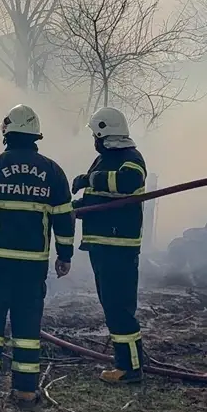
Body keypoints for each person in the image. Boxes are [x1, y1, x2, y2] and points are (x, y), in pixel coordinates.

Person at [0, 104, 74, 407]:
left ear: (6, 132)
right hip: (32, 265)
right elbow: (64, 219)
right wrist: (65, 254)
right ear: (35, 135)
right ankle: (24, 390)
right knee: (28, 327)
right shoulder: (52, 171)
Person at [72, 107, 148, 384]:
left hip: (118, 246)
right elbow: (98, 201)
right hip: (103, 246)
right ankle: (131, 359)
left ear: (105, 133)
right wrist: (74, 208)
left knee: (118, 307)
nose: (94, 139)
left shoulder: (130, 159)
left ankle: (129, 368)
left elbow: (129, 183)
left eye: (95, 134)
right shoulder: (103, 160)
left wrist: (88, 178)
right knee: (112, 305)